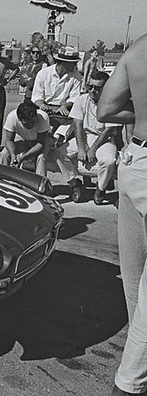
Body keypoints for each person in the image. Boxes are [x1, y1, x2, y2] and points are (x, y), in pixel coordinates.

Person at [97, 32, 147, 396]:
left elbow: (106, 110)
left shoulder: (138, 47)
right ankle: (130, 384)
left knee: (135, 283)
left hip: (135, 160)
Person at [31, 46, 83, 200]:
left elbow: (75, 99)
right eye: (71, 63)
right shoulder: (44, 73)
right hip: (44, 110)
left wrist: (64, 106)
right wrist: (42, 105)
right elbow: (36, 97)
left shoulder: (76, 77)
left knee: (74, 119)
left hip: (64, 112)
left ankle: (58, 138)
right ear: (62, 62)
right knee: (44, 152)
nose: (74, 66)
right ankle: (43, 186)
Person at [65, 71, 120, 205]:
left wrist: (92, 150)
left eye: (97, 88)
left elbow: (108, 130)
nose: (92, 90)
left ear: (106, 88)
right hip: (84, 136)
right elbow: (77, 125)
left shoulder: (113, 103)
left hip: (105, 140)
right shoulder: (81, 99)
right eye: (90, 87)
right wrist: (81, 148)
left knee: (109, 161)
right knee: (59, 153)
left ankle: (100, 188)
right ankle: (74, 183)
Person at [0, 100, 49, 174]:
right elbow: (9, 141)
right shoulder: (12, 117)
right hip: (22, 140)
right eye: (26, 124)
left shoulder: (43, 117)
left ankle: (39, 182)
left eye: (32, 122)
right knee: (5, 153)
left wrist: (23, 157)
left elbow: (40, 144)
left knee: (41, 157)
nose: (30, 125)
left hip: (38, 142)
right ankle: (2, 177)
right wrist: (13, 155)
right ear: (19, 119)